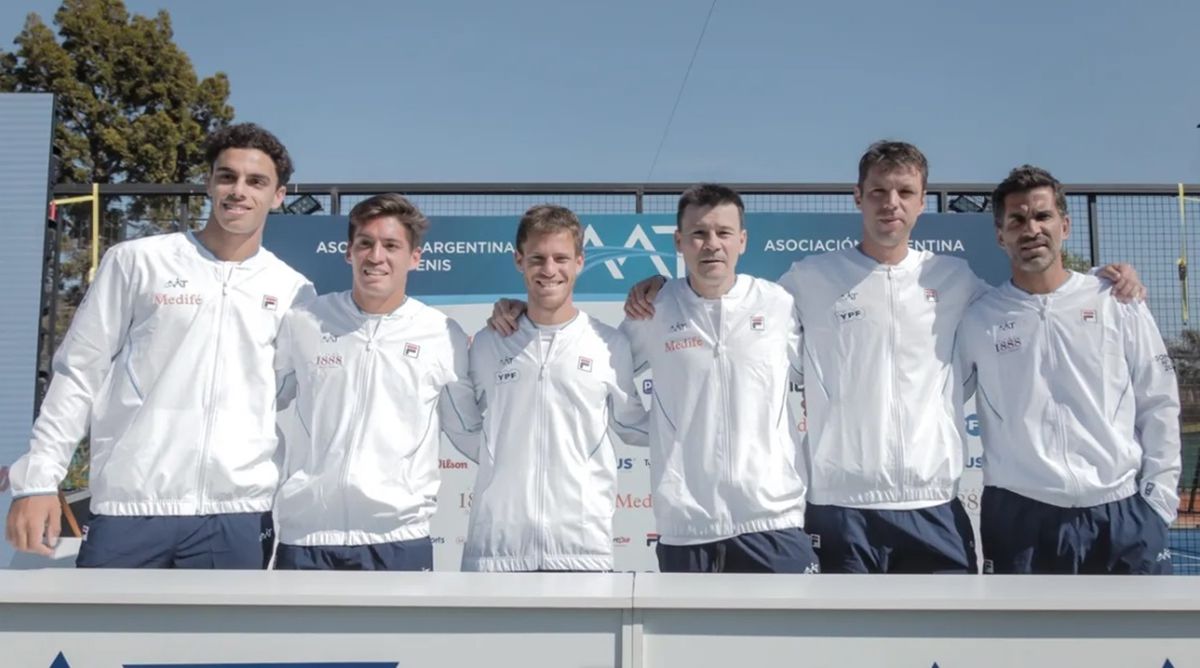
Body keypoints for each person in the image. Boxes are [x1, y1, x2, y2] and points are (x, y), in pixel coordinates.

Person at [618, 141, 1145, 574]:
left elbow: (1028, 303)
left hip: (933, 505)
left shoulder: (955, 281)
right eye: (878, 192)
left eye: (904, 192)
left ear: (920, 202)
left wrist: (1098, 282)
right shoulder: (807, 282)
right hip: (841, 509)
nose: (891, 203)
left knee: (945, 647)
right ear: (858, 198)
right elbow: (727, 303)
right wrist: (665, 288)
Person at [6, 123, 314, 568]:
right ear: (208, 183)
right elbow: (78, 373)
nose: (238, 191)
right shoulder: (137, 261)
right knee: (102, 620)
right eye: (227, 176)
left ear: (278, 195)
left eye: (256, 181)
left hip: (237, 514)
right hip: (131, 506)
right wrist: (38, 478)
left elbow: (288, 404)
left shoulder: (293, 290)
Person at [957, 165, 1180, 574]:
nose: (1031, 229)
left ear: (1065, 225)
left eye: (1042, 216)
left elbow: (1159, 400)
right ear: (1000, 235)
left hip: (1122, 513)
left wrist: (1158, 500)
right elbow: (939, 404)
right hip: (1020, 519)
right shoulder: (978, 318)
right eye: (1017, 220)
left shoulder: (1116, 300)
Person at [272, 193, 481, 571]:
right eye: (365, 243)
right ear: (349, 252)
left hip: (398, 539)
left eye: (391, 246)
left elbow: (467, 431)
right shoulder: (303, 321)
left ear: (415, 258)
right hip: (306, 538)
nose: (376, 256)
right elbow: (258, 402)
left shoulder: (440, 333)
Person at [615, 184, 817, 573]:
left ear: (742, 240)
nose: (712, 244)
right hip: (687, 528)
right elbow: (610, 375)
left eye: (724, 232)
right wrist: (658, 430)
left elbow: (824, 371)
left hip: (773, 521)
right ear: (679, 242)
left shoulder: (777, 304)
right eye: (699, 233)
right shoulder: (655, 309)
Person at [462, 205, 648, 572]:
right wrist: (496, 462)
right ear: (519, 261)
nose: (549, 270)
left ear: (579, 262)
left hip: (582, 550)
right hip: (496, 552)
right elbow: (461, 421)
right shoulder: (488, 343)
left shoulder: (609, 344)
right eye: (537, 258)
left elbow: (632, 424)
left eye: (561, 258)